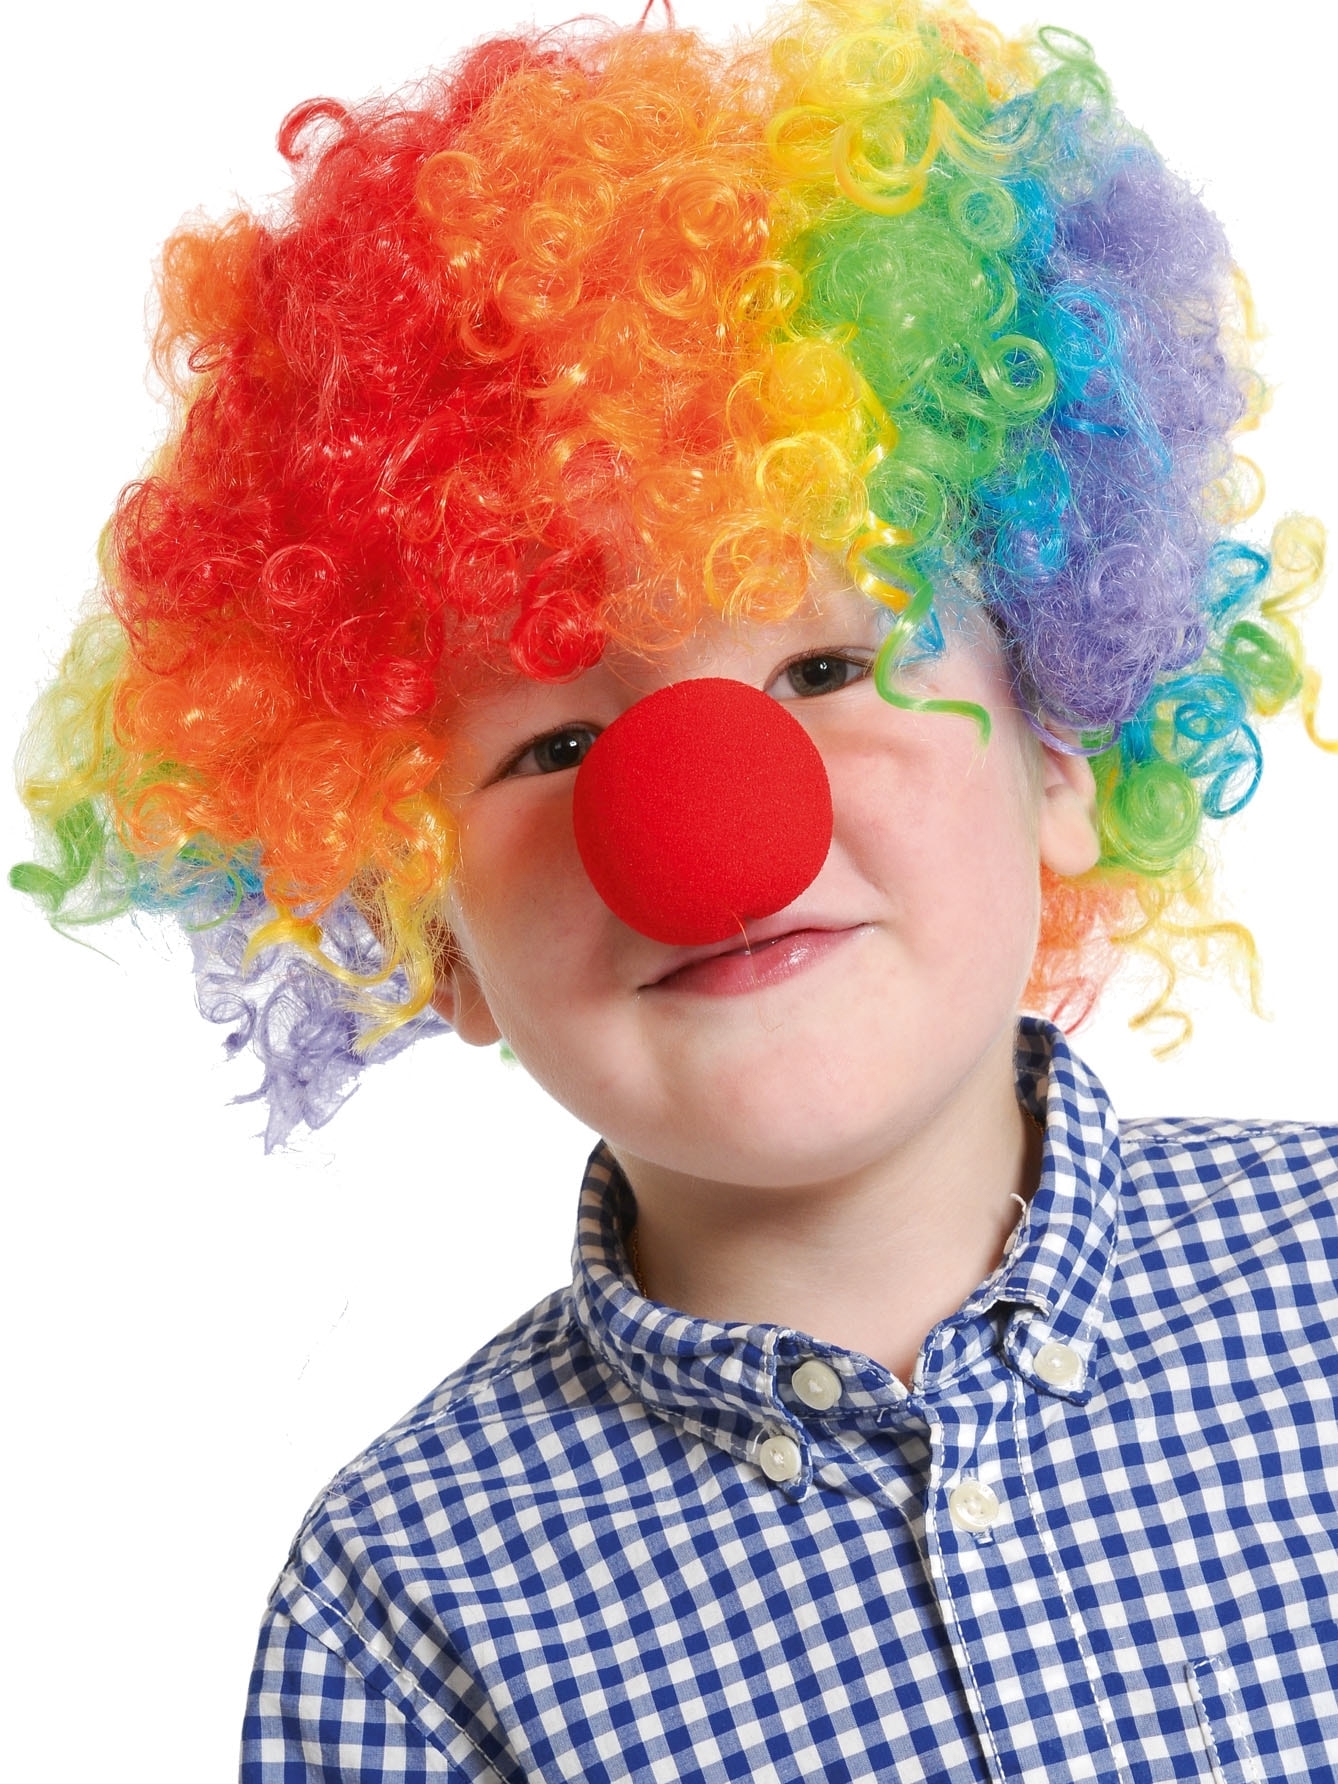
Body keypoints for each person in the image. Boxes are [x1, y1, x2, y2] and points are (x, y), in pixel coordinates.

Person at [9, 0, 1337, 1778]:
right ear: (423, 925)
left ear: (1059, 756)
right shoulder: (406, 1606)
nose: (709, 818)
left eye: (825, 670)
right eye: (555, 746)